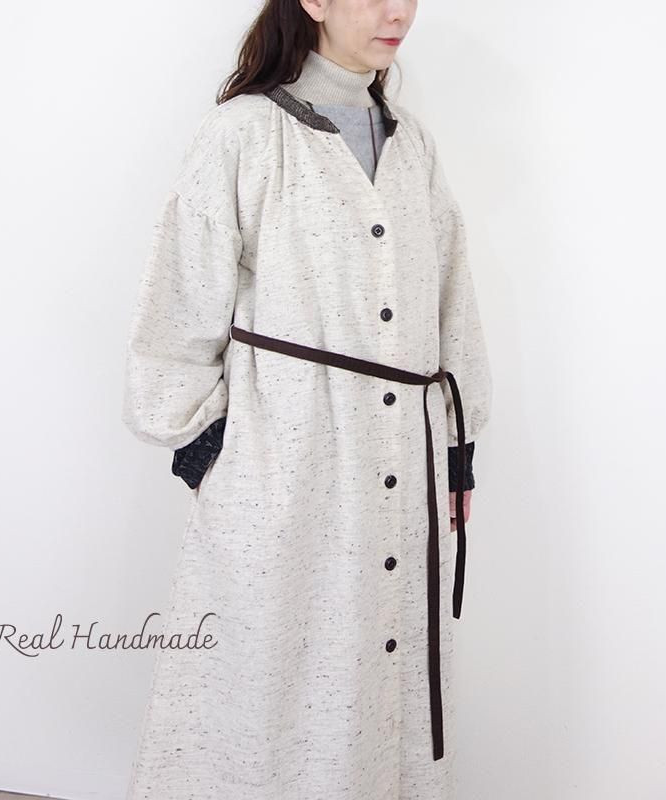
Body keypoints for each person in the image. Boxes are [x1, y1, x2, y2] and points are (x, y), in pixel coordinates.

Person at [121, 0, 493, 797]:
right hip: (283, 465)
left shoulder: (413, 144)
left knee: (382, 667)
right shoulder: (245, 134)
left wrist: (457, 455)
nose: (399, 12)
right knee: (269, 686)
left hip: (407, 464)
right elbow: (179, 302)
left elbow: (452, 300)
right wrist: (208, 449)